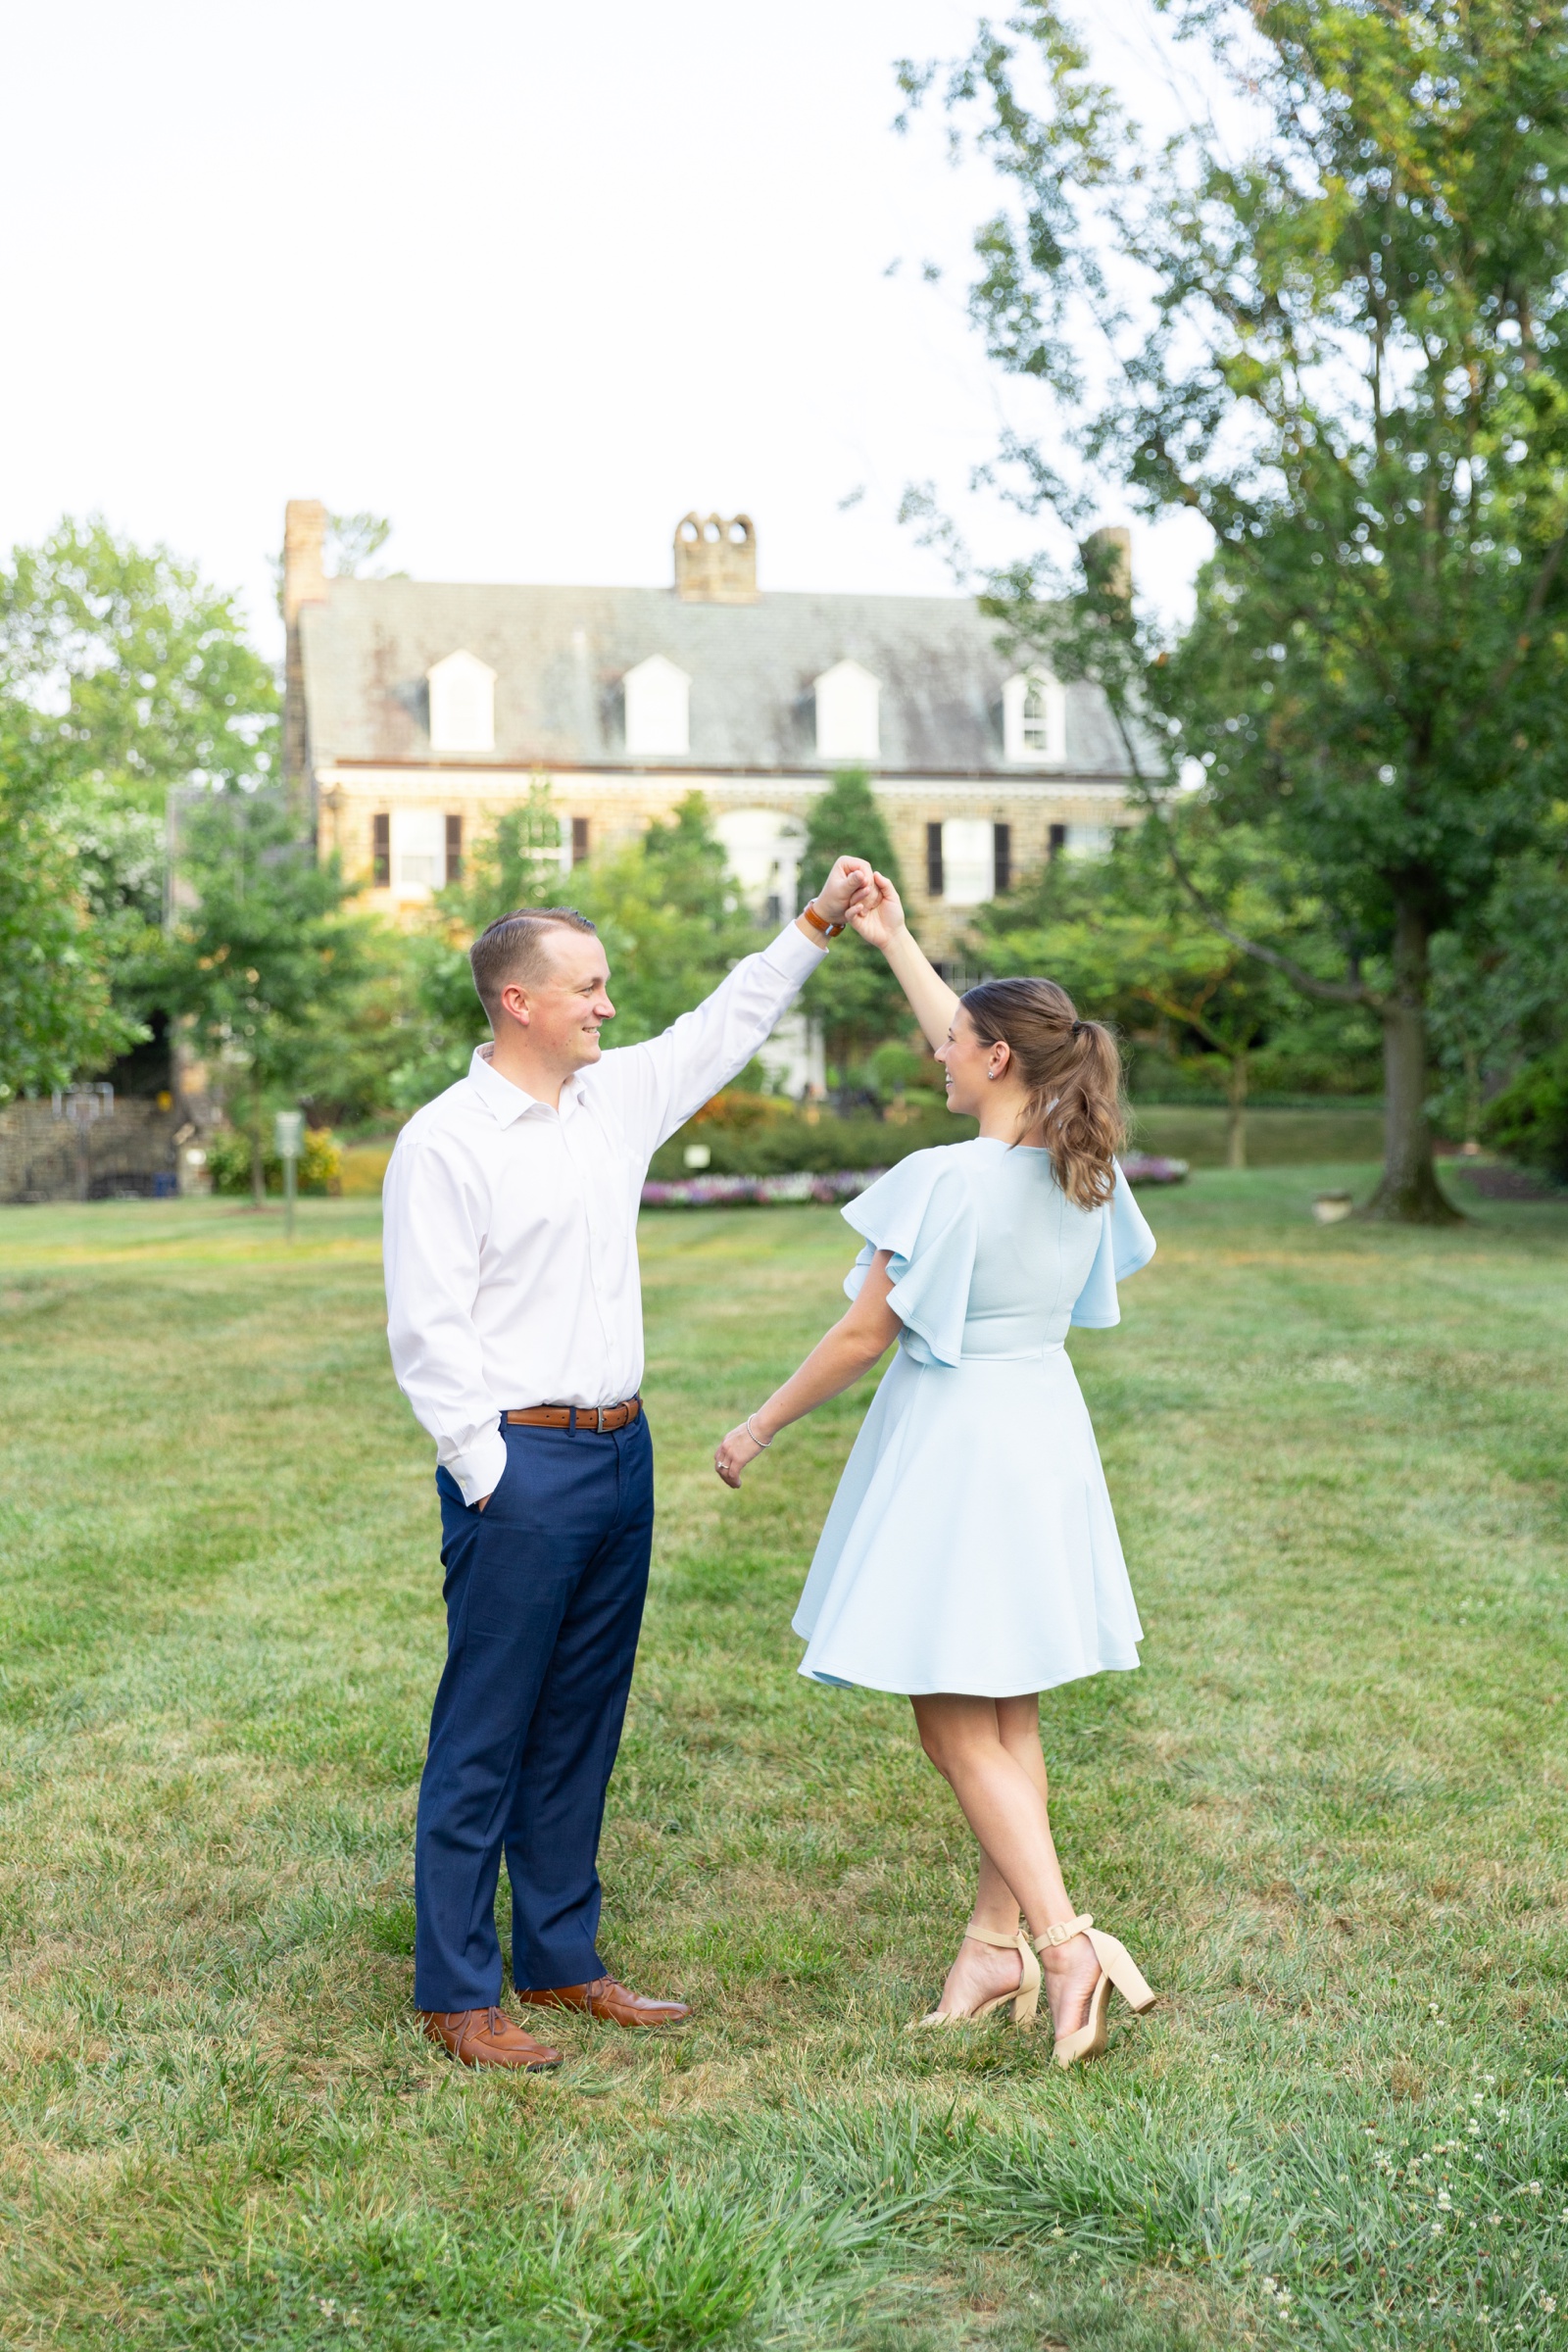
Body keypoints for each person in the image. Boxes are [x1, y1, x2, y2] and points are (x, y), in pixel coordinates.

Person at [384, 858, 873, 2071]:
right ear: (518, 1003)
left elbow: (727, 1024)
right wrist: (484, 1471)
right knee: (485, 1733)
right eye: (587, 989)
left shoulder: (614, 1103)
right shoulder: (445, 1144)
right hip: (522, 1467)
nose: (607, 1007)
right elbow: (428, 1332)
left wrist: (813, 922)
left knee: (583, 1723)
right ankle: (456, 1990)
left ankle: (558, 1963)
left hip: (622, 1456)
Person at [713, 872, 1158, 2068]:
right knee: (1004, 1711)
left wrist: (755, 1428)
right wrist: (897, 941)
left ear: (998, 1060)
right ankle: (989, 1944)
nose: (934, 1057)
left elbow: (864, 1334)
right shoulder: (1084, 1171)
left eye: (951, 1048)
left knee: (953, 1724)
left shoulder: (944, 1180)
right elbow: (968, 1036)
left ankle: (1065, 1945)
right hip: (1040, 1434)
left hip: (955, 1448)